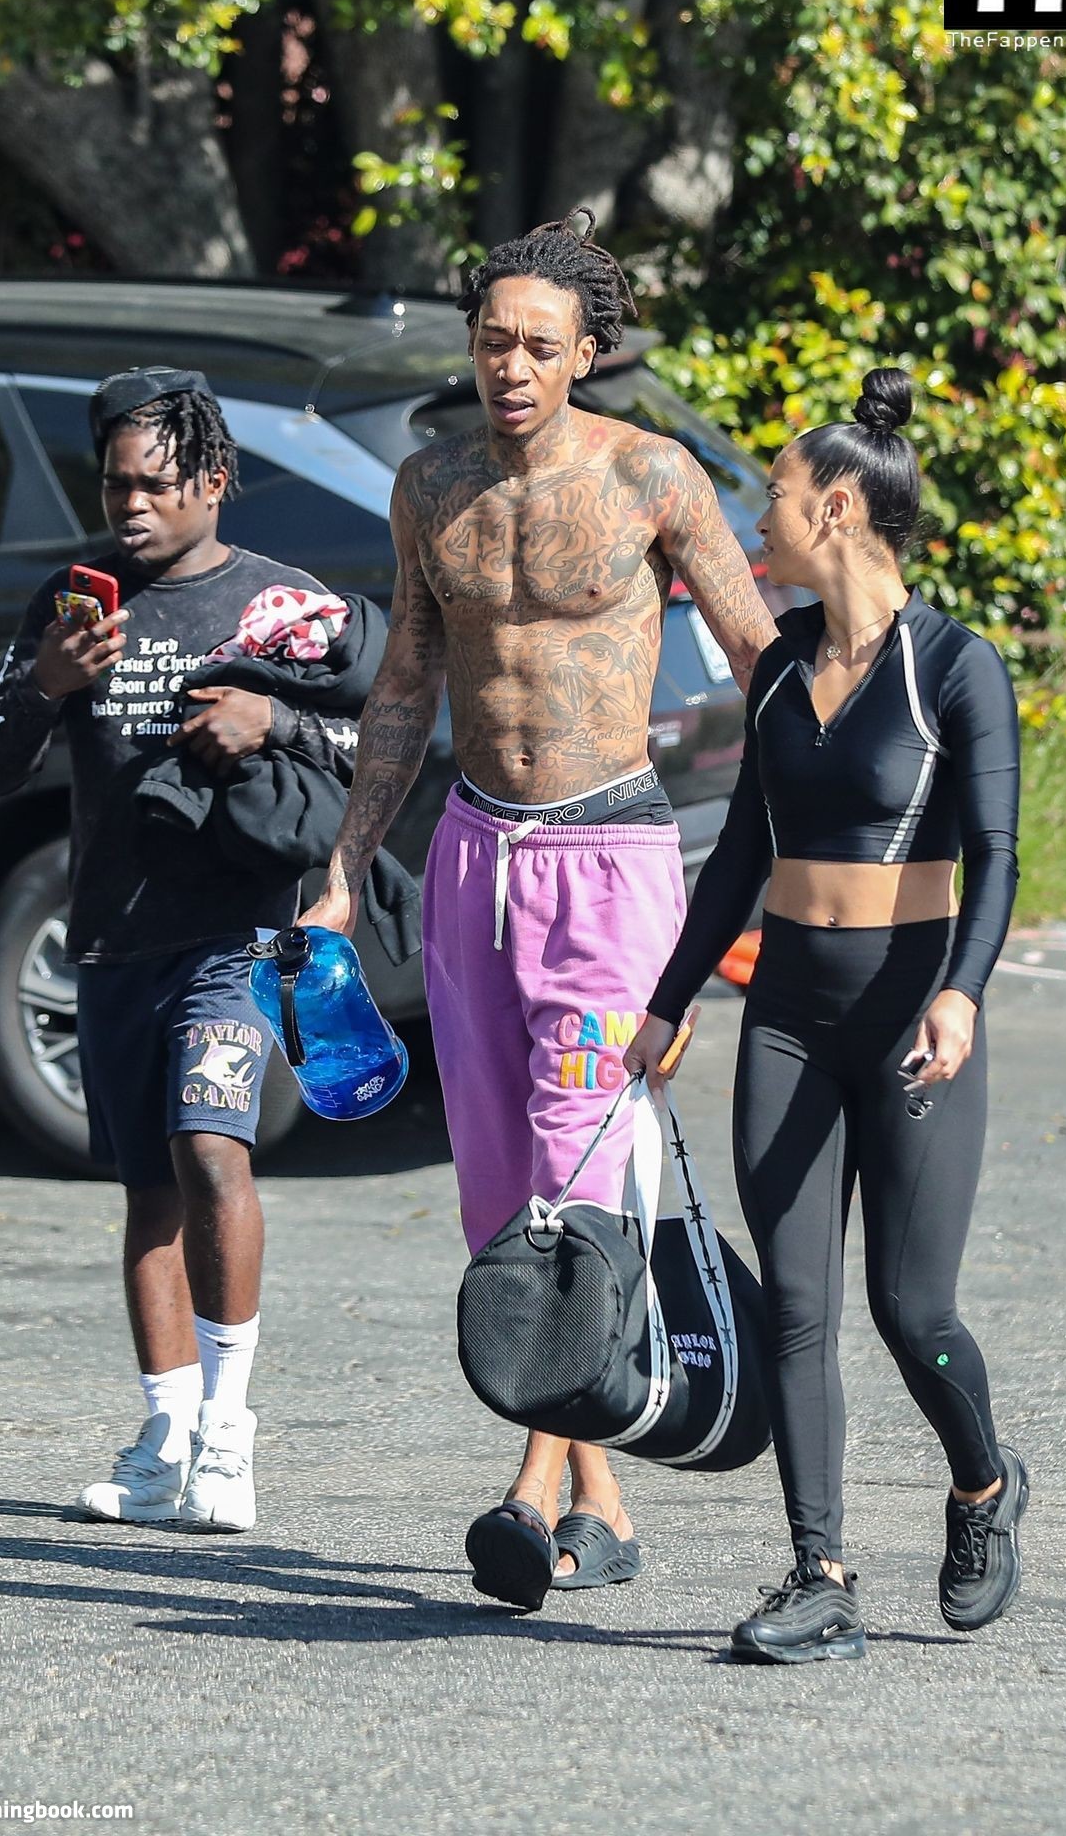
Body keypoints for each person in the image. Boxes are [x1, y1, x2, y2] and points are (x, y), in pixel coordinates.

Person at [301, 209, 776, 1609]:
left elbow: (759, 654)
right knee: (500, 1180)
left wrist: (837, 833)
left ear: (584, 354)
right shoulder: (430, 486)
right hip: (472, 856)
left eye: (537, 346)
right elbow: (404, 682)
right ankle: (602, 1502)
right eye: (491, 340)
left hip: (610, 856)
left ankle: (526, 1490)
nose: (509, 365)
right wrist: (346, 865)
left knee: (578, 1163)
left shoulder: (648, 476)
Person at [627, 367, 1029, 1664]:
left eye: (778, 499)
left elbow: (996, 855)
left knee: (912, 1312)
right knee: (796, 1305)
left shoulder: (954, 668)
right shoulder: (778, 669)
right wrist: (667, 1002)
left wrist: (960, 992)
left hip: (911, 1018)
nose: (760, 522)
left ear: (839, 510)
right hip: (789, 1014)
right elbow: (741, 856)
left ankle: (983, 1482)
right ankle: (821, 1573)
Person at [0, 368, 381, 1533]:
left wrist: (270, 718)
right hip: (111, 941)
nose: (132, 505)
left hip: (234, 933)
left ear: (213, 480)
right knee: (147, 1191)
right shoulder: (70, 602)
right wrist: (48, 681)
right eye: (115, 485)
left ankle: (230, 1436)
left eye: (156, 484)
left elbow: (389, 735)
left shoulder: (278, 602)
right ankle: (165, 1440)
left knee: (209, 1147)